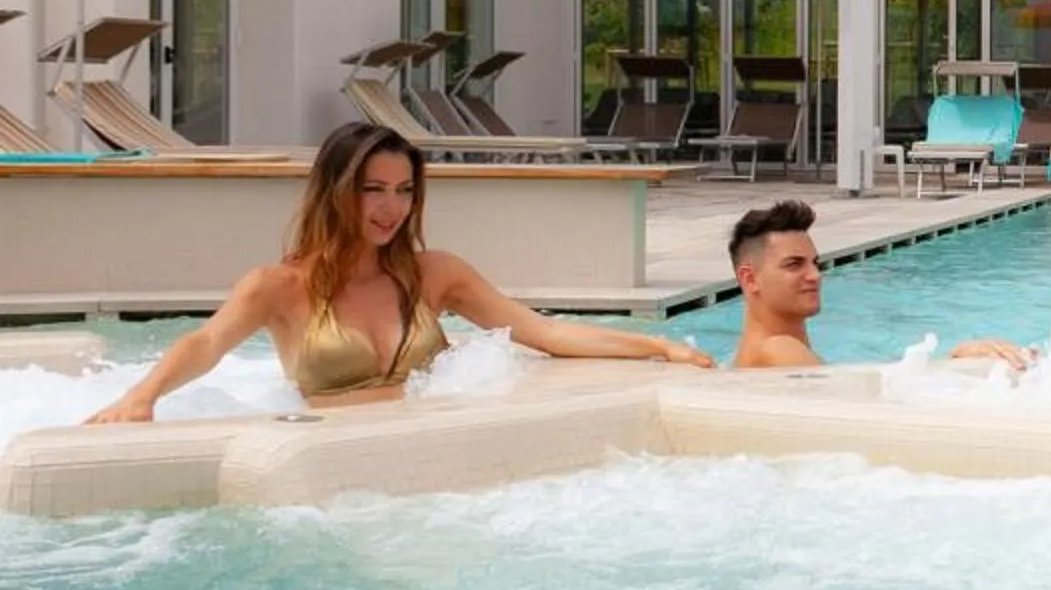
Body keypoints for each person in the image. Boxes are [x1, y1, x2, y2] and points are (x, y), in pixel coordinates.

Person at [86, 123, 713, 422]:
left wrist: (656, 348)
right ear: (336, 190)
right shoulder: (278, 287)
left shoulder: (435, 275)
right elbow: (206, 343)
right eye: (373, 189)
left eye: (405, 190)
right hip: (330, 461)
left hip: (427, 453)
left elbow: (540, 332)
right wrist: (141, 396)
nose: (392, 208)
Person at [726, 200, 1031, 371]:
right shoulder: (777, 349)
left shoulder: (759, 352)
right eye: (794, 265)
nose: (815, 276)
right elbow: (864, 399)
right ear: (749, 279)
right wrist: (955, 362)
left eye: (814, 263)